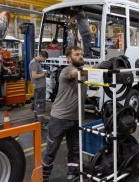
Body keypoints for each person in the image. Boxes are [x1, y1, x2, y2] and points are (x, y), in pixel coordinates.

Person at [42, 46, 86, 182]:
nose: (80, 56)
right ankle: (44, 175)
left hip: (76, 118)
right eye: (77, 54)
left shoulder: (83, 73)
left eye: (81, 54)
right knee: (51, 149)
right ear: (69, 59)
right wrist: (95, 67)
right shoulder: (67, 71)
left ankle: (72, 173)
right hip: (59, 119)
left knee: (74, 149)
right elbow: (75, 74)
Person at [29, 51, 49, 128]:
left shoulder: (36, 62)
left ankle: (37, 119)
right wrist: (44, 74)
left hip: (39, 86)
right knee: (40, 103)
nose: (44, 60)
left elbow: (36, 73)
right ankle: (41, 122)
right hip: (39, 86)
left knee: (37, 102)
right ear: (40, 56)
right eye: (44, 58)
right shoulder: (34, 63)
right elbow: (34, 76)